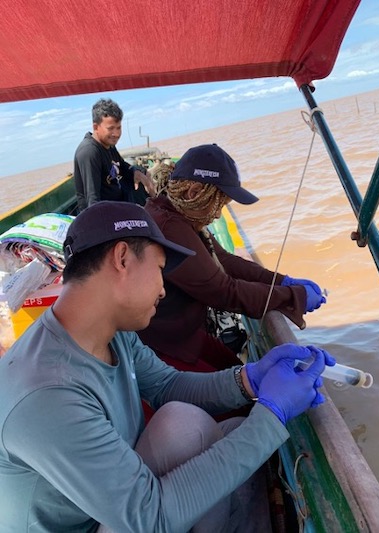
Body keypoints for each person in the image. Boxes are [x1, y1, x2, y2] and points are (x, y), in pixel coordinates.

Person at [0, 200, 335, 532]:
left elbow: (167, 386)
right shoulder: (47, 393)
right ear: (122, 259)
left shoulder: (111, 333)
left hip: (110, 510)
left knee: (215, 428)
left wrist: (250, 379)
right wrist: (272, 415)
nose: (163, 290)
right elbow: (150, 518)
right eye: (160, 269)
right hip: (101, 523)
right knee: (232, 435)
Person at [139, 143, 327, 372]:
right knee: (238, 395)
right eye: (217, 204)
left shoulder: (174, 212)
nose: (217, 214)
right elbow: (223, 292)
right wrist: (294, 296)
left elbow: (224, 259)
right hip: (163, 345)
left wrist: (281, 280)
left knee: (232, 367)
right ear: (194, 193)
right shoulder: (170, 228)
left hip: (182, 334)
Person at [74, 98, 156, 211]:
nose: (116, 134)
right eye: (110, 128)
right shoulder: (89, 152)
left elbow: (122, 167)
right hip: (105, 212)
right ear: (96, 127)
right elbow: (92, 200)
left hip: (119, 201)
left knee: (142, 177)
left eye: (118, 128)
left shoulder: (109, 144)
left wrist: (137, 172)